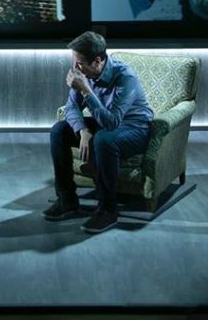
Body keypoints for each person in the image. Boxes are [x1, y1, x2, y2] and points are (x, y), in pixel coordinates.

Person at [44, 31, 154, 234]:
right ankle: (67, 200)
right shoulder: (84, 73)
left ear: (97, 61)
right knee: (58, 130)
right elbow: (71, 107)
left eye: (80, 63)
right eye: (74, 62)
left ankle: (107, 210)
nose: (75, 68)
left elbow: (112, 122)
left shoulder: (125, 77)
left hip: (135, 129)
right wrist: (83, 130)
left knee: (103, 139)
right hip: (104, 124)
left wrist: (86, 90)